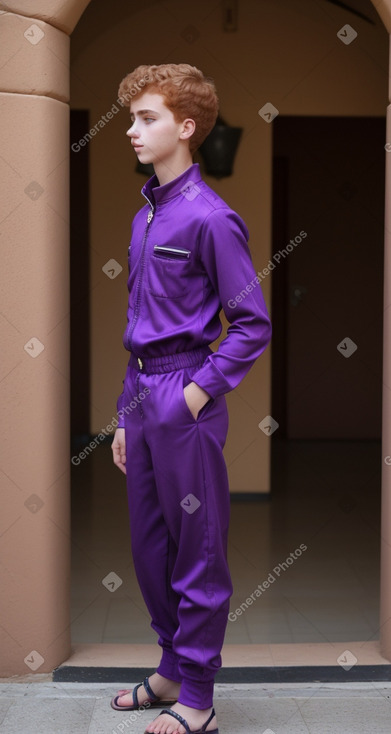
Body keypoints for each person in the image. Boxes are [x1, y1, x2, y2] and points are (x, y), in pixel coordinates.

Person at [110, 63, 272, 734]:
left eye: (146, 119)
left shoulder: (212, 218)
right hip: (142, 393)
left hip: (184, 395)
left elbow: (252, 323)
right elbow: (138, 326)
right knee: (150, 548)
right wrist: (125, 417)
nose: (130, 131)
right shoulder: (146, 215)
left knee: (196, 549)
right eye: (130, 119)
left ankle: (197, 699)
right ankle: (170, 667)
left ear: (185, 127)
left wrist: (196, 397)